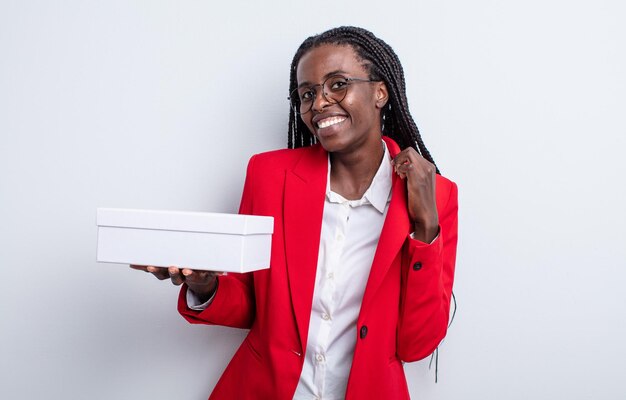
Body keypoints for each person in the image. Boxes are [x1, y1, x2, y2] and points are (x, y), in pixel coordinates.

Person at [132, 26, 458, 400]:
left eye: (337, 85)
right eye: (307, 94)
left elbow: (417, 344)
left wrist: (425, 228)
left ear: (380, 92)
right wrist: (204, 284)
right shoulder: (269, 176)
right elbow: (253, 305)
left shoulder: (439, 196)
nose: (318, 103)